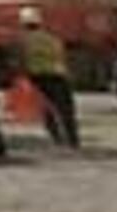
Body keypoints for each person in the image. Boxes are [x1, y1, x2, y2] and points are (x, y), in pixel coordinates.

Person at [17, 20, 81, 151]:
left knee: (46, 109)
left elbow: (21, 59)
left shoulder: (24, 41)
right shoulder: (52, 38)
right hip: (58, 75)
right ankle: (72, 140)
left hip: (38, 77)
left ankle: (57, 138)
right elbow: (62, 56)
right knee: (65, 110)